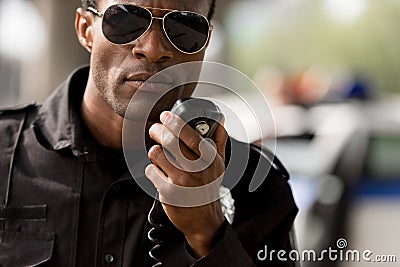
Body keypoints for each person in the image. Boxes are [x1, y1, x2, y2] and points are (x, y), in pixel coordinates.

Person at [0, 0, 298, 266]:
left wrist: (207, 234)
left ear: (205, 44)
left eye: (184, 27)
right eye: (126, 20)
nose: (153, 49)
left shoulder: (258, 187)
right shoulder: (5, 154)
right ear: (85, 30)